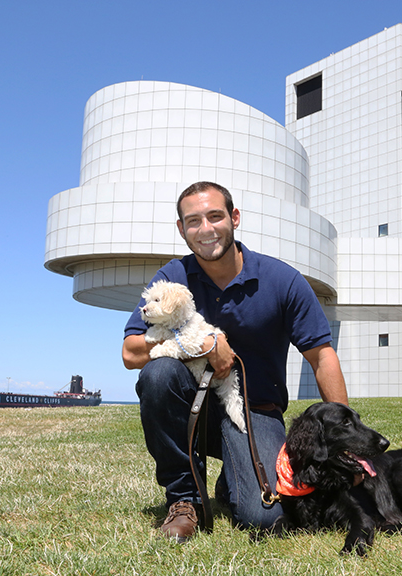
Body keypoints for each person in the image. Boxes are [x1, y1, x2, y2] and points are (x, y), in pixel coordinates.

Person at [122, 181, 349, 543]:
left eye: (215, 216)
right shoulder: (172, 278)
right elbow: (131, 353)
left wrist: (342, 440)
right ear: (182, 229)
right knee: (158, 373)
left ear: (235, 218)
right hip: (191, 410)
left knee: (266, 517)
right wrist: (201, 344)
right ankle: (184, 500)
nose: (206, 229)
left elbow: (322, 356)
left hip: (254, 411)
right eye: (193, 221)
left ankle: (232, 481)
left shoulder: (282, 280)